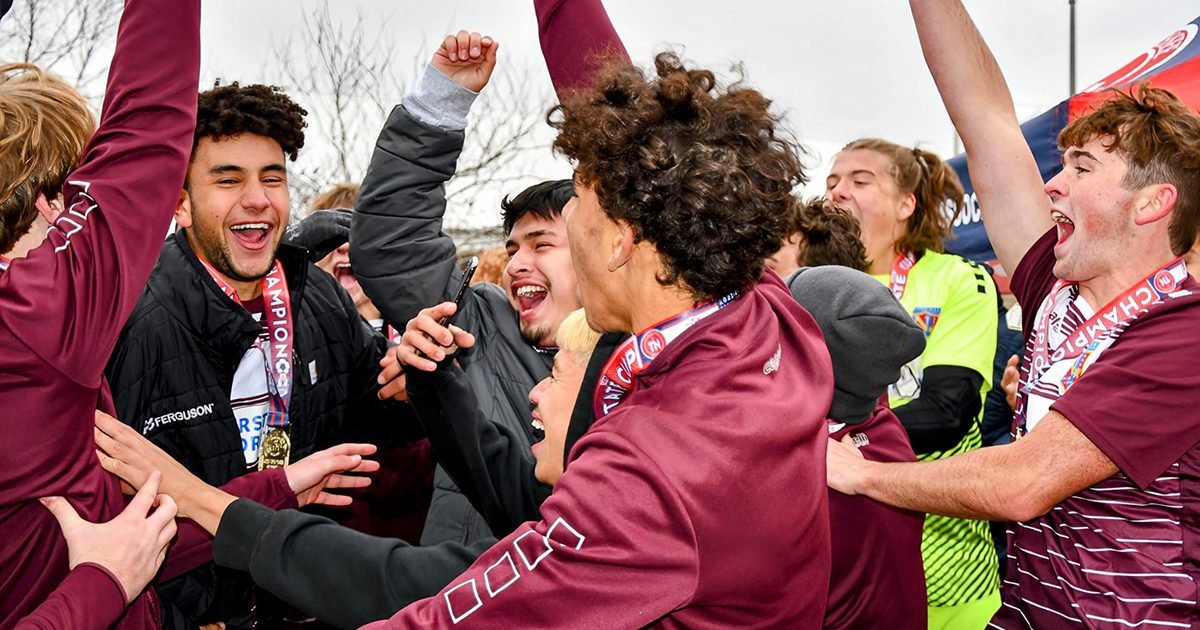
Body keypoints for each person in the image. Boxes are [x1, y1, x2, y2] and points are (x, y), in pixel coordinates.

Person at [107, 48, 837, 628]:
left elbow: (446, 597)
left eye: (573, 206)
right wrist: (422, 381)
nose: (538, 394)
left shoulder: (647, 471)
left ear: (620, 238)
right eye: (228, 179)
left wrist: (214, 503)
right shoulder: (767, 319)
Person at [828, 0, 1200, 627]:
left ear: (1152, 204)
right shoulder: (1055, 292)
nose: (1051, 184)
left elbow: (1022, 483)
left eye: (1081, 168)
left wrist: (859, 473)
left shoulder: (1185, 332)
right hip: (1025, 613)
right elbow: (987, 120)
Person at [103, 82, 419, 627]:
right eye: (228, 179)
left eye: (272, 178)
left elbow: (371, 430)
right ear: (179, 202)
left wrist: (415, 385)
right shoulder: (130, 318)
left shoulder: (316, 295)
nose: (258, 198)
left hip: (298, 603)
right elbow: (105, 511)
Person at [349, 17, 627, 546]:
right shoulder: (478, 328)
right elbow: (393, 246)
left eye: (543, 245)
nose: (519, 262)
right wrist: (440, 103)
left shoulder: (648, 349)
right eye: (512, 248)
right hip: (464, 594)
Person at [0, 0, 203, 624]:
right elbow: (145, 128)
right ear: (48, 203)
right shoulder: (34, 318)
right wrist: (101, 584)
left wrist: (271, 502)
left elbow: (114, 525)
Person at [825, 134, 1001, 625]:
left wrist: (822, 439)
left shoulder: (958, 277)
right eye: (833, 180)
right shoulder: (809, 281)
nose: (839, 191)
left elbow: (947, 412)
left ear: (906, 204)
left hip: (945, 569)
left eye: (861, 180)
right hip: (836, 567)